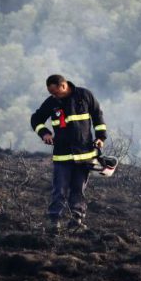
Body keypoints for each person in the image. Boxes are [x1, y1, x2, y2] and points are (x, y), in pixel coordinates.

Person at [30, 75, 106, 232]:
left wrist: (100, 137)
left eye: (55, 91)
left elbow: (98, 116)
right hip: (62, 156)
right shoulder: (52, 102)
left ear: (63, 86)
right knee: (60, 189)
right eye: (50, 92)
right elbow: (36, 119)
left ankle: (76, 222)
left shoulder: (85, 96)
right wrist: (44, 133)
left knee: (78, 190)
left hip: (84, 156)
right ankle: (54, 222)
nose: (53, 95)